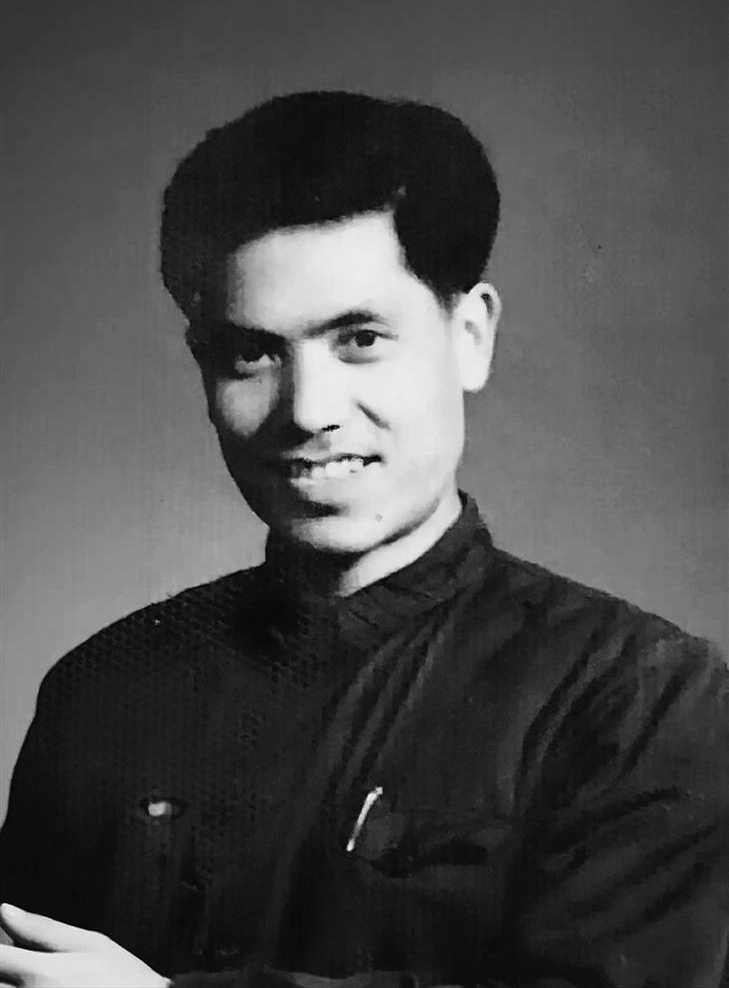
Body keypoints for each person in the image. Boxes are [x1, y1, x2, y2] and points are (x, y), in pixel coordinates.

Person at [0, 90, 727, 988]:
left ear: (470, 337)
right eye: (251, 354)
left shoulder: (641, 697)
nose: (308, 411)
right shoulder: (102, 690)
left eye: (360, 339)